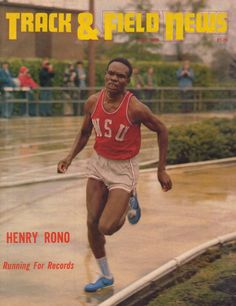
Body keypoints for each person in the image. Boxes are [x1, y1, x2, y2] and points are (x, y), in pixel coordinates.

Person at [57, 58, 172, 292]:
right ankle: (106, 275)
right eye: (111, 73)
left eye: (120, 76)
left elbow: (162, 129)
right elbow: (84, 132)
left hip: (123, 169)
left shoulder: (135, 108)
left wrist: (161, 169)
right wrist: (69, 158)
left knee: (106, 227)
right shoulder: (92, 102)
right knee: (91, 222)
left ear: (127, 81)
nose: (114, 79)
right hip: (98, 164)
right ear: (106, 75)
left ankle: (130, 198)